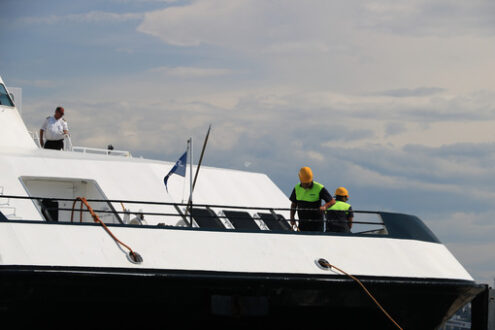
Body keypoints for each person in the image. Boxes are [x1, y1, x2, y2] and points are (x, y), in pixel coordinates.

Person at [289, 167, 335, 231]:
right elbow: (294, 204)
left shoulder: (319, 187)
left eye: (308, 183)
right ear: (300, 180)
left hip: (317, 225)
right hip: (302, 224)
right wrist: (292, 217)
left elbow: (332, 201)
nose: (306, 185)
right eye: (304, 184)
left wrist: (324, 206)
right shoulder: (297, 188)